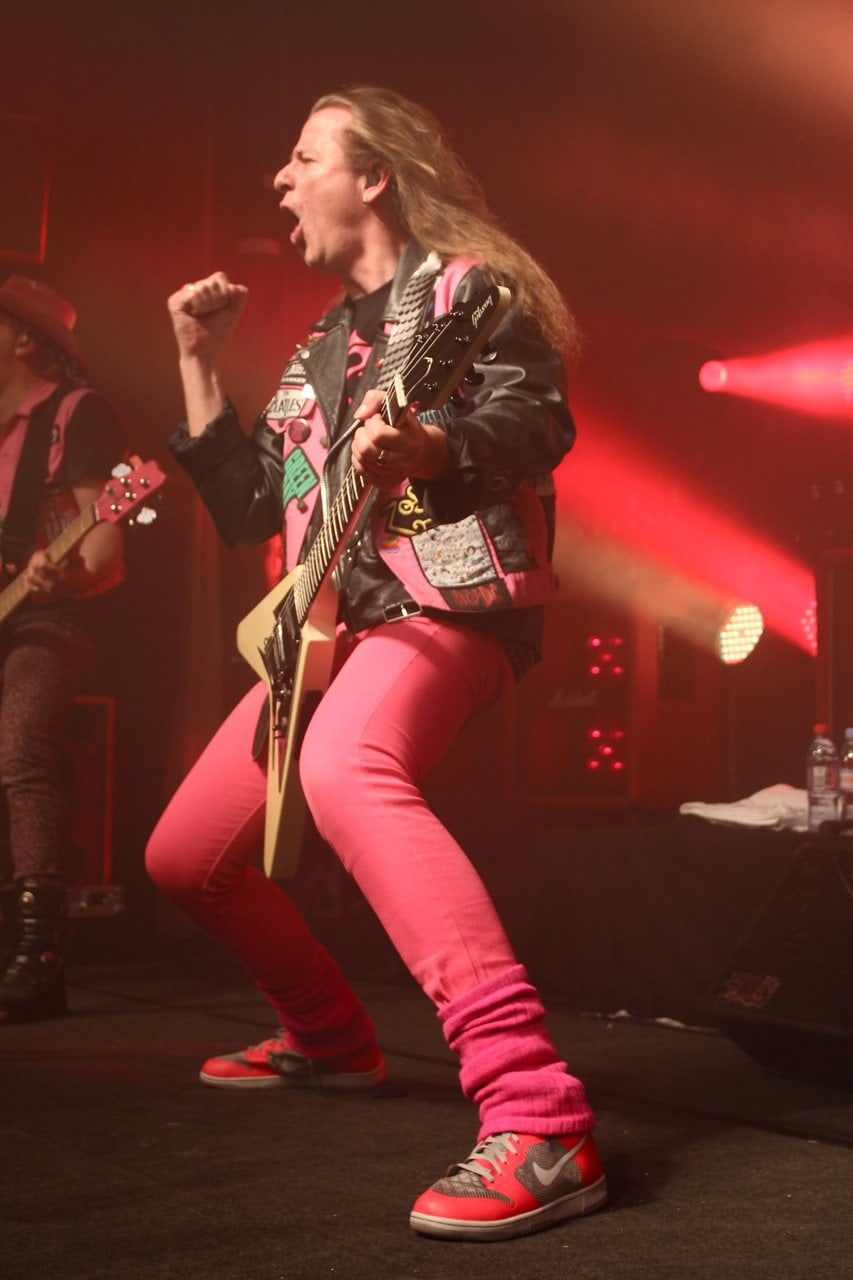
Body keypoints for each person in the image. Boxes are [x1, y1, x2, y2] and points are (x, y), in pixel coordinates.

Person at [146, 85, 607, 1242]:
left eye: (303, 158)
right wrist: (197, 360)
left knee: (346, 769)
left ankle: (540, 1115)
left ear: (373, 176)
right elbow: (249, 501)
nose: (280, 179)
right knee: (184, 856)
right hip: (325, 632)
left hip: (447, 603)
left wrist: (432, 445)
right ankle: (329, 1036)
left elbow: (536, 423)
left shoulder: (467, 293)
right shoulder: (315, 349)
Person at [0, 276, 126, 1024]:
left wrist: (64, 573)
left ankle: (39, 952)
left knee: (20, 746)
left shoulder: (77, 415)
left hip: (53, 619)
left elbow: (104, 546)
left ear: (25, 339)